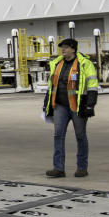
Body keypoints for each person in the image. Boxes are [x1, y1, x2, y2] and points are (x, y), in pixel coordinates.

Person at [42, 39, 98, 178]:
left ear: (73, 49)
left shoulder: (84, 64)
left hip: (77, 106)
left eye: (66, 48)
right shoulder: (57, 64)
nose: (63, 50)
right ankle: (58, 168)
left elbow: (92, 85)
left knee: (80, 136)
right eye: (62, 48)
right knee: (58, 135)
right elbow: (52, 86)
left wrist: (90, 104)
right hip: (60, 106)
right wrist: (46, 104)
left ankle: (82, 168)